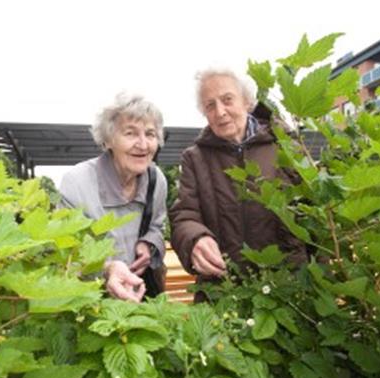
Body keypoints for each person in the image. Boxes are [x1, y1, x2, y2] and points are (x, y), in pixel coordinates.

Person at [169, 69, 307, 299]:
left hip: (288, 291)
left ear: (247, 101)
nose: (220, 112)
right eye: (210, 105)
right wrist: (195, 239)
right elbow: (184, 214)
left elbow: (312, 214)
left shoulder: (286, 145)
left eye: (227, 100)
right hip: (223, 291)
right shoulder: (195, 158)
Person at [59, 94, 167, 302]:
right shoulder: (77, 182)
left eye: (150, 134)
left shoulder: (157, 180)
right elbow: (64, 253)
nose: (143, 145)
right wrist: (108, 268)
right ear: (108, 140)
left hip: (140, 294)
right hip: (89, 300)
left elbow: (157, 226)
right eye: (131, 133)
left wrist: (149, 243)